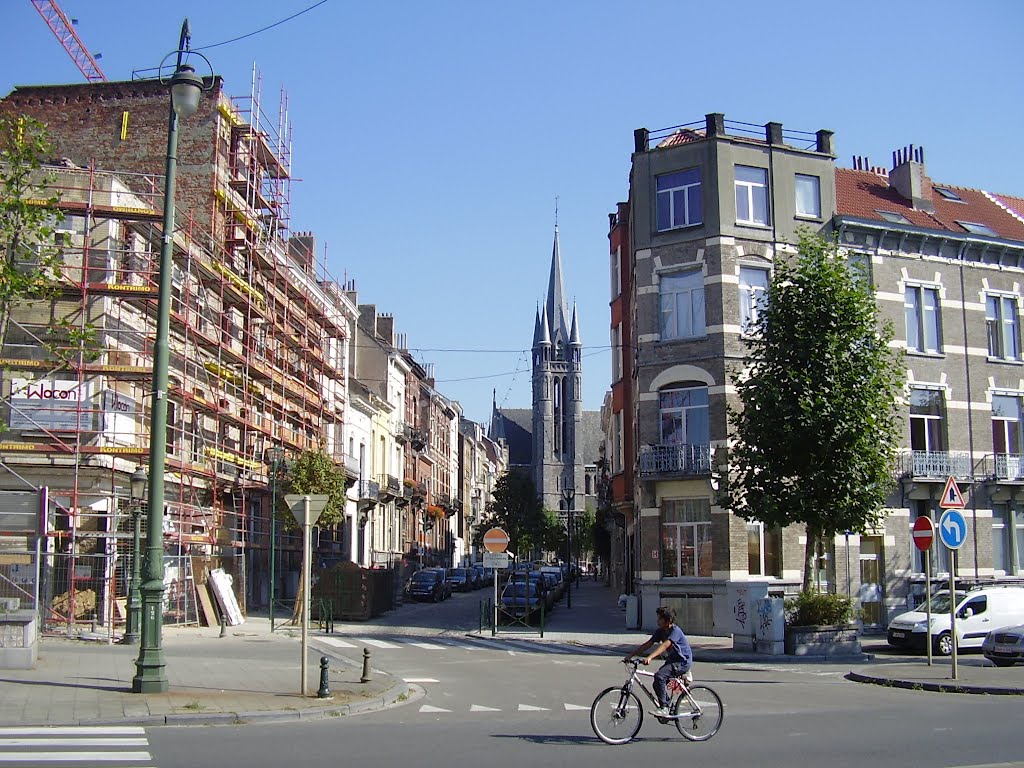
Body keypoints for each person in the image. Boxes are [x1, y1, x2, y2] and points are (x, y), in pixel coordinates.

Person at [622, 605, 693, 717]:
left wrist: (650, 657)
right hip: (672, 661)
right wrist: (631, 655)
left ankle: (664, 708)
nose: (657, 621)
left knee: (660, 676)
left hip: (682, 661)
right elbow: (648, 644)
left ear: (668, 620)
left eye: (660, 618)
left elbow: (665, 645)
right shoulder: (661, 631)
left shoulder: (675, 631)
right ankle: (668, 706)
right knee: (657, 682)